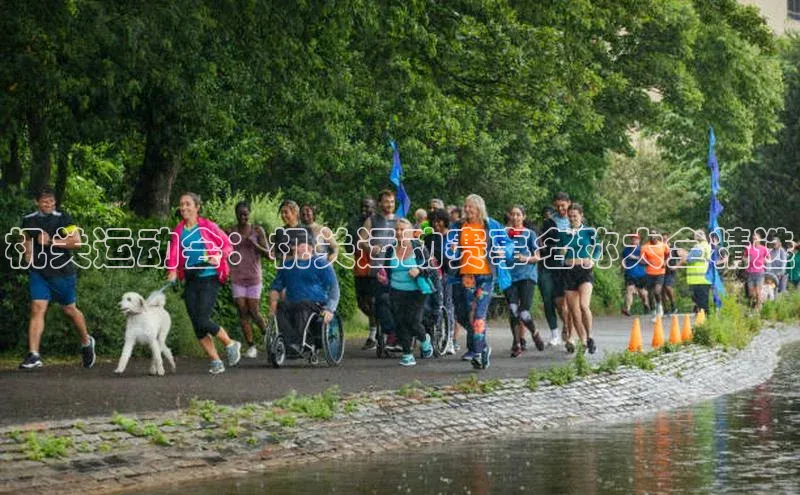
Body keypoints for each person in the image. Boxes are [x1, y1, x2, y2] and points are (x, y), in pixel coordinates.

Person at [18, 186, 96, 370]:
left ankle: (86, 342)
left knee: (69, 310)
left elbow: (77, 241)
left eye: (52, 201)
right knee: (37, 308)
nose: (49, 204)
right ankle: (34, 355)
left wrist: (52, 241)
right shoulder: (29, 220)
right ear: (37, 202)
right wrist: (27, 254)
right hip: (39, 272)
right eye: (45, 201)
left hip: (62, 272)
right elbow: (26, 238)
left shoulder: (63, 218)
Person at [167, 192, 241, 374]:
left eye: (188, 204)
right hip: (191, 278)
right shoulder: (179, 230)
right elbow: (174, 254)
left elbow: (228, 246)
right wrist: (171, 270)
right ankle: (215, 360)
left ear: (197, 207)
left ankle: (230, 343)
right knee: (196, 323)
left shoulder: (209, 226)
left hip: (209, 276)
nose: (183, 207)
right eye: (181, 204)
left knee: (202, 318)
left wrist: (218, 255)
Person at [446, 194, 513, 370]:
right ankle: (483, 348)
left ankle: (476, 352)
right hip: (466, 275)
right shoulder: (458, 226)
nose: (467, 209)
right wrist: (452, 249)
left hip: (485, 275)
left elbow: (508, 244)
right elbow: (448, 248)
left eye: (471, 207)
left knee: (478, 315)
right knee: (467, 314)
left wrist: (503, 252)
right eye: (465, 206)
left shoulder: (491, 225)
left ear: (479, 208)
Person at [268, 234, 340, 355]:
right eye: (293, 245)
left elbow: (334, 289)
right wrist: (273, 303)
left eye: (298, 245)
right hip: (293, 303)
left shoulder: (322, 264)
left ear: (310, 248)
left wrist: (330, 309)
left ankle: (299, 342)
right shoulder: (287, 265)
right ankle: (291, 343)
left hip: (316, 304)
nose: (294, 248)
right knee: (281, 306)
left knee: (303, 305)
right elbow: (276, 287)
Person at [378, 218, 435, 366]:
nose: (399, 233)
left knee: (413, 321)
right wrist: (383, 277)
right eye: (397, 230)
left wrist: (419, 269)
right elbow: (386, 270)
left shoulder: (419, 248)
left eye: (402, 230)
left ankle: (424, 339)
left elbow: (431, 267)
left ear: (410, 232)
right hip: (396, 290)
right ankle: (407, 354)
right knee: (400, 322)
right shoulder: (390, 249)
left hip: (417, 290)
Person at [227, 201, 270, 359]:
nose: (243, 216)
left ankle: (267, 333)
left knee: (253, 310)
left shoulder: (257, 230)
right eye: (240, 213)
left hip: (253, 277)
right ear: (236, 214)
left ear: (249, 213)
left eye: (245, 213)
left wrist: (255, 245)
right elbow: (221, 247)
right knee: (242, 310)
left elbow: (269, 254)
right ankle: (251, 345)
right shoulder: (231, 231)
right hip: (237, 276)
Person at [359, 190, 398, 351]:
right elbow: (361, 241)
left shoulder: (400, 221)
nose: (389, 204)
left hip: (396, 269)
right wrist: (370, 247)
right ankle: (386, 333)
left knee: (395, 302)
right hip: (377, 270)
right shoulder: (372, 220)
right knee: (378, 303)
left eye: (392, 202)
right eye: (386, 201)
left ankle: (397, 335)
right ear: (380, 203)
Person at [558, 203, 600, 354]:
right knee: (573, 310)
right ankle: (581, 338)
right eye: (570, 216)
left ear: (581, 216)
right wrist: (561, 252)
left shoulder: (589, 231)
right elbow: (560, 251)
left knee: (583, 305)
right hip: (569, 271)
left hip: (584, 270)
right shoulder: (564, 233)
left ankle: (590, 337)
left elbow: (598, 247)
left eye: (575, 216)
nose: (572, 218)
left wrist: (593, 259)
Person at [505, 205, 544, 357]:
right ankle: (517, 344)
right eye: (513, 214)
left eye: (518, 214)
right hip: (509, 277)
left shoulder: (530, 234)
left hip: (527, 276)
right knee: (513, 310)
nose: (515, 217)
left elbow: (537, 256)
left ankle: (535, 333)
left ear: (523, 217)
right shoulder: (504, 234)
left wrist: (526, 258)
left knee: (524, 312)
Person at [537, 193, 571, 347]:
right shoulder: (549, 222)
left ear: (569, 204)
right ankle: (554, 333)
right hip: (547, 265)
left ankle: (568, 328)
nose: (560, 208)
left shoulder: (575, 221)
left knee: (562, 302)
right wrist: (551, 248)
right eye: (557, 205)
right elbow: (540, 242)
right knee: (547, 299)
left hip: (566, 267)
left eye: (563, 205)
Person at [424, 208, 456, 354]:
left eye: (439, 221)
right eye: (434, 221)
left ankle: (449, 340)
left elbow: (454, 257)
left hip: (448, 273)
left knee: (448, 304)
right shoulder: (429, 238)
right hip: (433, 274)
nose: (436, 224)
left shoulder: (451, 236)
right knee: (432, 304)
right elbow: (424, 254)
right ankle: (433, 335)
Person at [347, 198, 378, 349]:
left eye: (368, 207)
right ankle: (377, 325)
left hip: (376, 268)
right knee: (361, 303)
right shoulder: (354, 223)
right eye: (363, 207)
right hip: (360, 267)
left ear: (375, 208)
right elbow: (348, 245)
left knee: (374, 302)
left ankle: (374, 335)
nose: (365, 210)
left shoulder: (379, 222)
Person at [640, 230, 669, 322]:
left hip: (660, 272)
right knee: (650, 294)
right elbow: (641, 260)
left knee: (657, 291)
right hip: (649, 273)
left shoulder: (663, 246)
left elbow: (668, 254)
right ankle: (653, 311)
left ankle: (659, 307)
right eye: (651, 235)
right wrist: (646, 262)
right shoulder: (645, 247)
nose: (653, 236)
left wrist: (665, 262)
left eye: (654, 234)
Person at [272, 200, 312, 264]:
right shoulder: (279, 231)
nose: (283, 215)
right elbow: (275, 254)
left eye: (286, 212)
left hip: (304, 268)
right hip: (286, 268)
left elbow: (312, 252)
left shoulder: (306, 230)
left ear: (295, 212)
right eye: (281, 213)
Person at [683, 229, 712, 314]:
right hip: (703, 279)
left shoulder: (699, 247)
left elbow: (689, 259)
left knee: (701, 306)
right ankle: (703, 323)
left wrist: (684, 255)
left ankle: (703, 324)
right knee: (702, 305)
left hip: (699, 280)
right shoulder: (706, 246)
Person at [621, 233, 650, 317]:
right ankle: (627, 309)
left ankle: (646, 305)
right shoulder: (626, 250)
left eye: (636, 239)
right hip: (630, 273)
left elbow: (647, 262)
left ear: (639, 240)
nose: (634, 240)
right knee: (629, 289)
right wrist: (623, 266)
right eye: (632, 239)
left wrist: (636, 258)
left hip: (641, 274)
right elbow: (623, 260)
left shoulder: (642, 250)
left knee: (643, 293)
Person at [743, 232, 769, 311]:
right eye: (753, 238)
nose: (754, 240)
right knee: (751, 293)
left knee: (758, 292)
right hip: (750, 272)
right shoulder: (748, 248)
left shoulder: (764, 248)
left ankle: (758, 308)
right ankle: (761, 301)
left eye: (756, 238)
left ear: (759, 239)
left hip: (759, 273)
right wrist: (746, 260)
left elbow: (768, 259)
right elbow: (744, 258)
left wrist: (765, 260)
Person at [662, 232, 681, 314]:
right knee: (661, 291)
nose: (664, 240)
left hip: (670, 271)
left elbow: (682, 258)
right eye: (663, 239)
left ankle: (673, 305)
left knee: (668, 287)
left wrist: (676, 266)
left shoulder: (673, 248)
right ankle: (665, 309)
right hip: (661, 271)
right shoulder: (659, 247)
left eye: (666, 239)